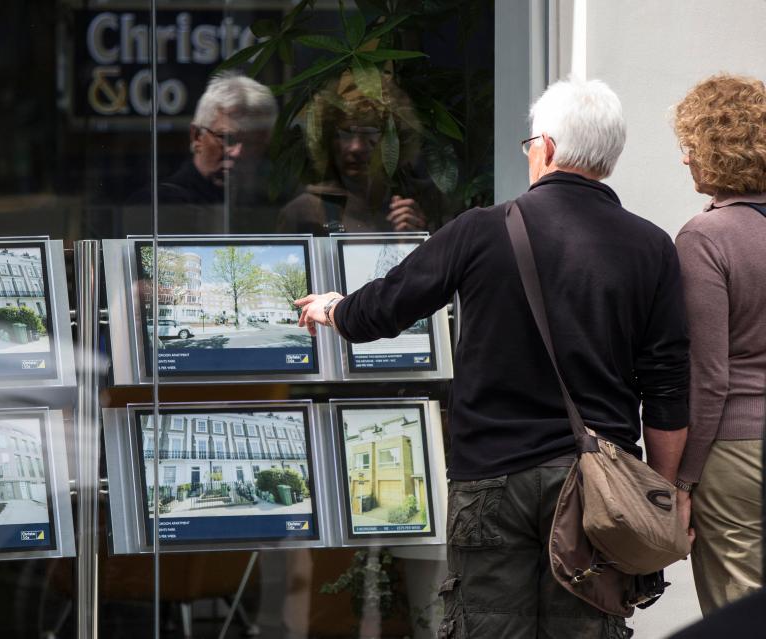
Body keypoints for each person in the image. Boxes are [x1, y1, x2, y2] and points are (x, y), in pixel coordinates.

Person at [295, 78, 690, 637]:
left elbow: (382, 310)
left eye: (531, 144)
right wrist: (664, 492)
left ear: (546, 147)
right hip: (597, 489)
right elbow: (668, 385)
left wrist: (336, 308)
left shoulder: (482, 230)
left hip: (492, 480)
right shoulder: (651, 247)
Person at [672, 73, 766, 615]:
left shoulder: (706, 237)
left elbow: (708, 379)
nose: (686, 161)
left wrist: (682, 481)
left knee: (742, 607)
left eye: (691, 147)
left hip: (737, 452)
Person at [277, 72, 438, 235]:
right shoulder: (305, 213)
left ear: (395, 141)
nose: (356, 147)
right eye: (345, 133)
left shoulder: (418, 205)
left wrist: (415, 241)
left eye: (371, 132)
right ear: (327, 139)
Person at [125, 71, 279, 234]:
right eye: (226, 138)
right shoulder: (156, 205)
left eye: (253, 143)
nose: (237, 152)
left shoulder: (267, 207)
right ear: (197, 136)